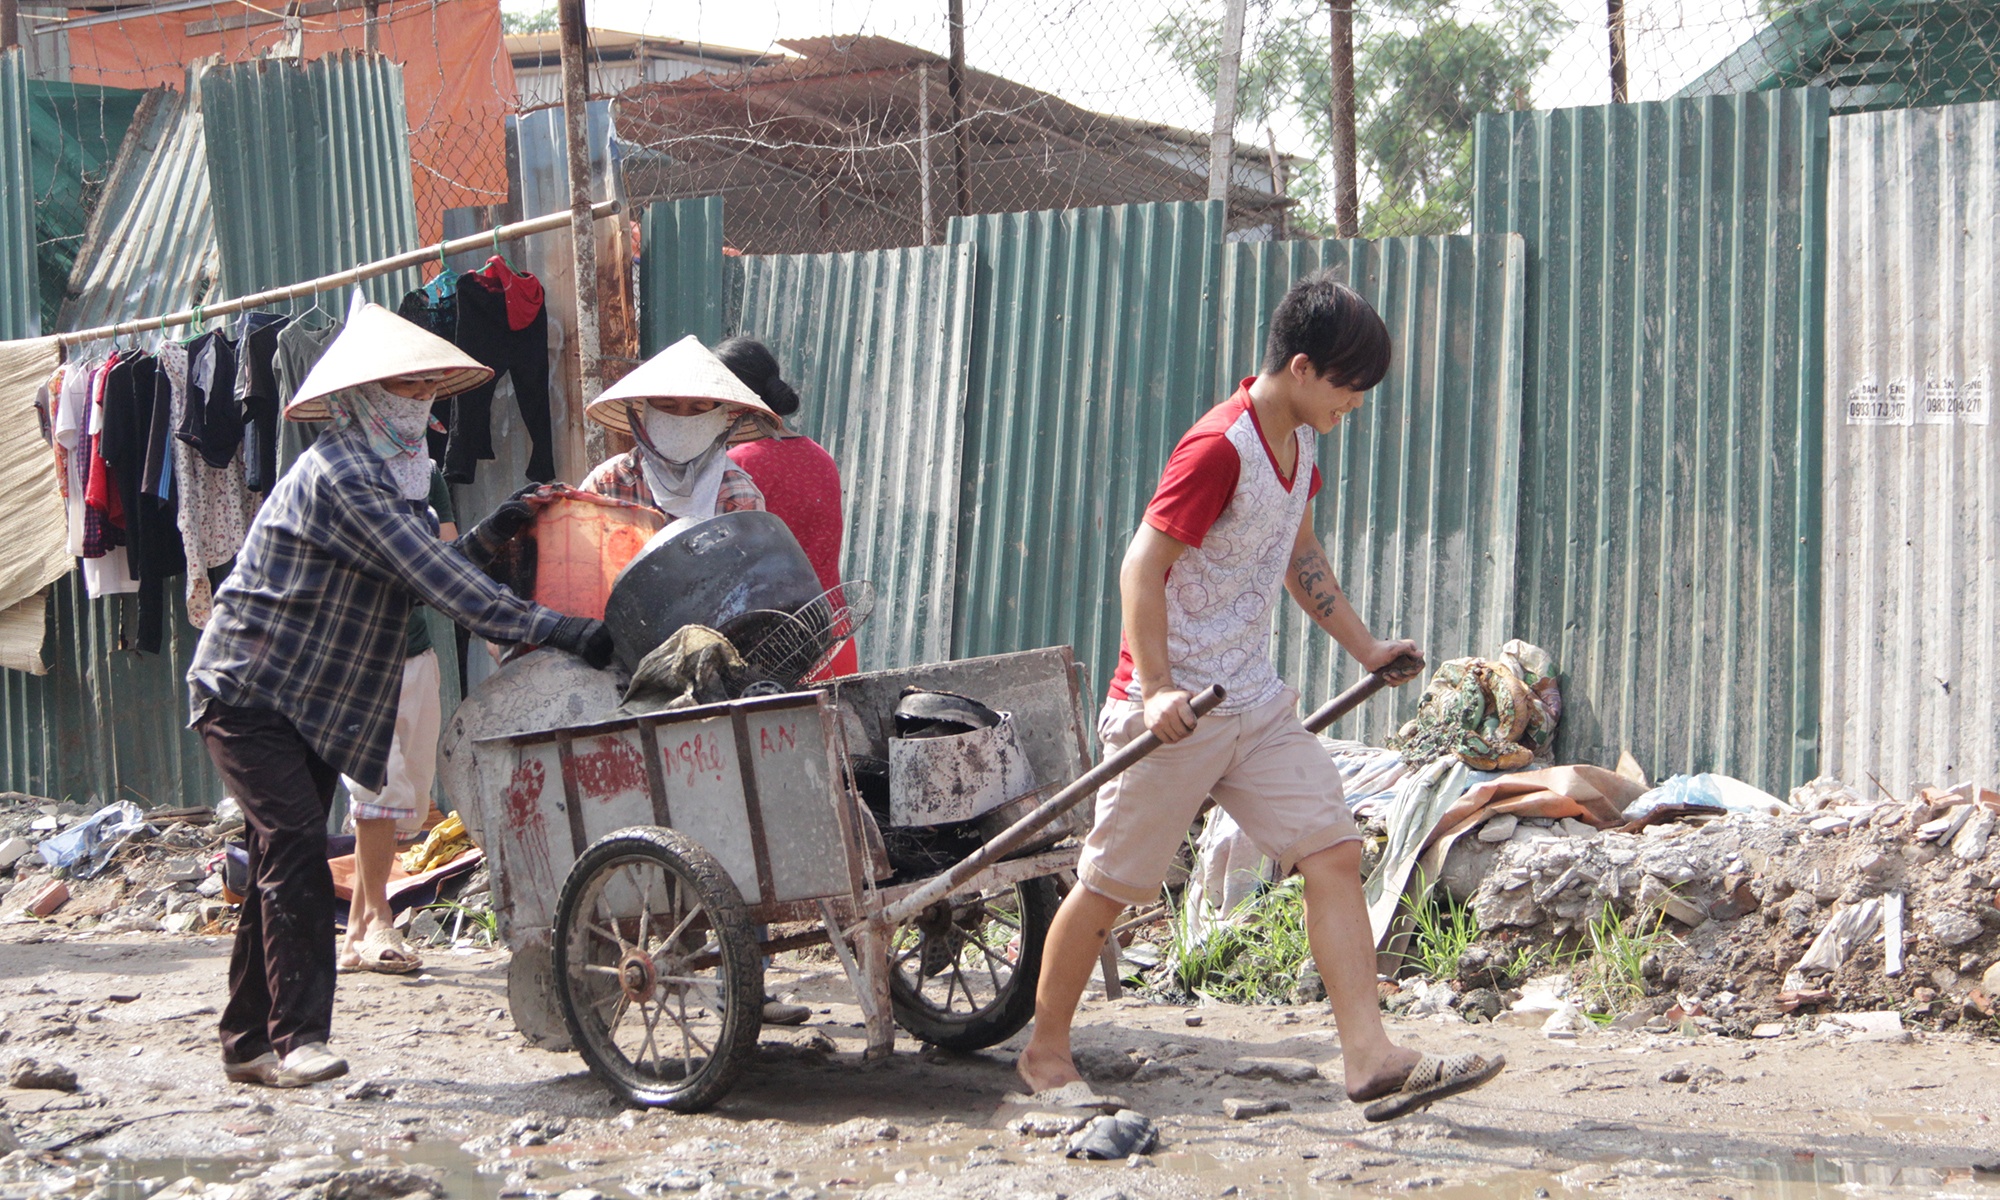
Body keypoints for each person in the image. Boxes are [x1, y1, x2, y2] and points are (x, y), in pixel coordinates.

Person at [1013, 272, 1505, 1122]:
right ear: (1307, 367)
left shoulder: (1302, 444)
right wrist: (1159, 688)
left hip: (1255, 702)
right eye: (1352, 386)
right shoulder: (1218, 447)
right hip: (1172, 711)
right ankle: (1044, 1051)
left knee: (1334, 849)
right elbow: (1141, 566)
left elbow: (1297, 553)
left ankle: (1370, 1058)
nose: (1356, 403)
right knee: (1110, 887)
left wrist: (1368, 648)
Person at [187, 299, 613, 1089]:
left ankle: (245, 1041)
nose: (415, 403)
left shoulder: (393, 479)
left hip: (311, 698)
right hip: (251, 688)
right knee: (296, 855)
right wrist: (555, 628)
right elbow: (435, 579)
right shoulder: (345, 472)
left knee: (284, 859)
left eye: (425, 388)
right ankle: (296, 1043)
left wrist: (496, 530)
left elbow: (424, 562)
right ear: (358, 398)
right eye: (400, 388)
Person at [338, 463, 456, 975]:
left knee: (406, 794)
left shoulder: (427, 475)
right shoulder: (334, 475)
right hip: (356, 656)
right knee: (376, 787)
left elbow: (449, 558)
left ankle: (355, 931)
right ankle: (379, 918)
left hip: (416, 652)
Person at [716, 336, 858, 679]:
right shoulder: (820, 457)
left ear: (729, 401)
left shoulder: (735, 467)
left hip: (772, 656)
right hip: (837, 639)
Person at [578, 335, 773, 520]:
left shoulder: (738, 498)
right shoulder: (609, 482)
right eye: (667, 406)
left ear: (720, 419)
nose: (681, 418)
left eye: (698, 408)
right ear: (645, 413)